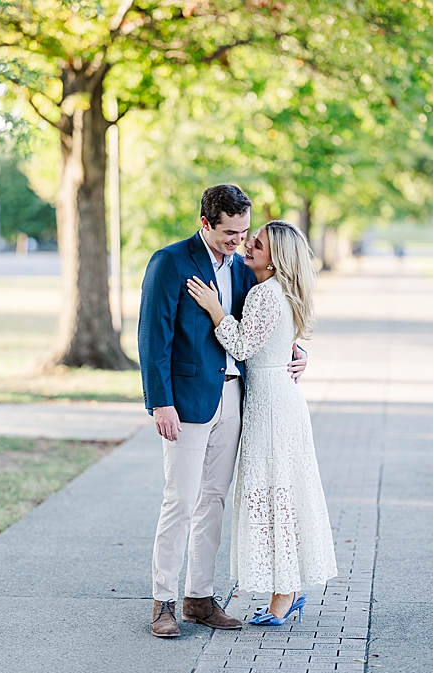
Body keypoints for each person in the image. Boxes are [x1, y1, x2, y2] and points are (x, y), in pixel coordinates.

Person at [138, 185, 308, 637]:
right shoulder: (170, 262)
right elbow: (152, 338)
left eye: (245, 231)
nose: (239, 241)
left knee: (213, 500)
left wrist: (298, 351)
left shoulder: (245, 270)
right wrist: (160, 401)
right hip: (187, 400)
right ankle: (163, 602)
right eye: (230, 232)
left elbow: (267, 324)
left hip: (236, 398)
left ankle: (199, 598)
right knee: (181, 499)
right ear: (206, 223)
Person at [186, 221, 338, 625]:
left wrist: (215, 308)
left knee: (276, 497)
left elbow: (240, 345)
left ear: (275, 260)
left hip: (271, 406)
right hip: (274, 400)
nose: (249, 246)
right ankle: (285, 590)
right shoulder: (275, 292)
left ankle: (284, 595)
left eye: (259, 244)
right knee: (279, 495)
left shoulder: (265, 295)